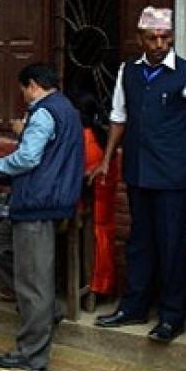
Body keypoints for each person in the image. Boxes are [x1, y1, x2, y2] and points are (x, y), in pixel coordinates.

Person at [90, 7, 186, 343]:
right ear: (140, 39)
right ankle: (133, 306)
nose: (159, 44)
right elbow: (118, 116)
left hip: (174, 177)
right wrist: (107, 159)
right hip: (138, 171)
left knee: (171, 245)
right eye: (152, 38)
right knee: (139, 243)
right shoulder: (128, 72)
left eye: (165, 37)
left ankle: (171, 316)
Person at [0, 64, 84, 371]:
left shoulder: (43, 113)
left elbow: (28, 157)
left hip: (37, 203)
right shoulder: (67, 109)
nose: (24, 96)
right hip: (44, 201)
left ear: (33, 85)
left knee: (33, 283)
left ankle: (32, 354)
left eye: (24, 89)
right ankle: (45, 310)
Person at [74, 92, 120, 299]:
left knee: (92, 241)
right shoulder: (102, 135)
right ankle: (103, 285)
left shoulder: (83, 137)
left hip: (90, 202)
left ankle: (93, 286)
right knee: (105, 238)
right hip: (105, 199)